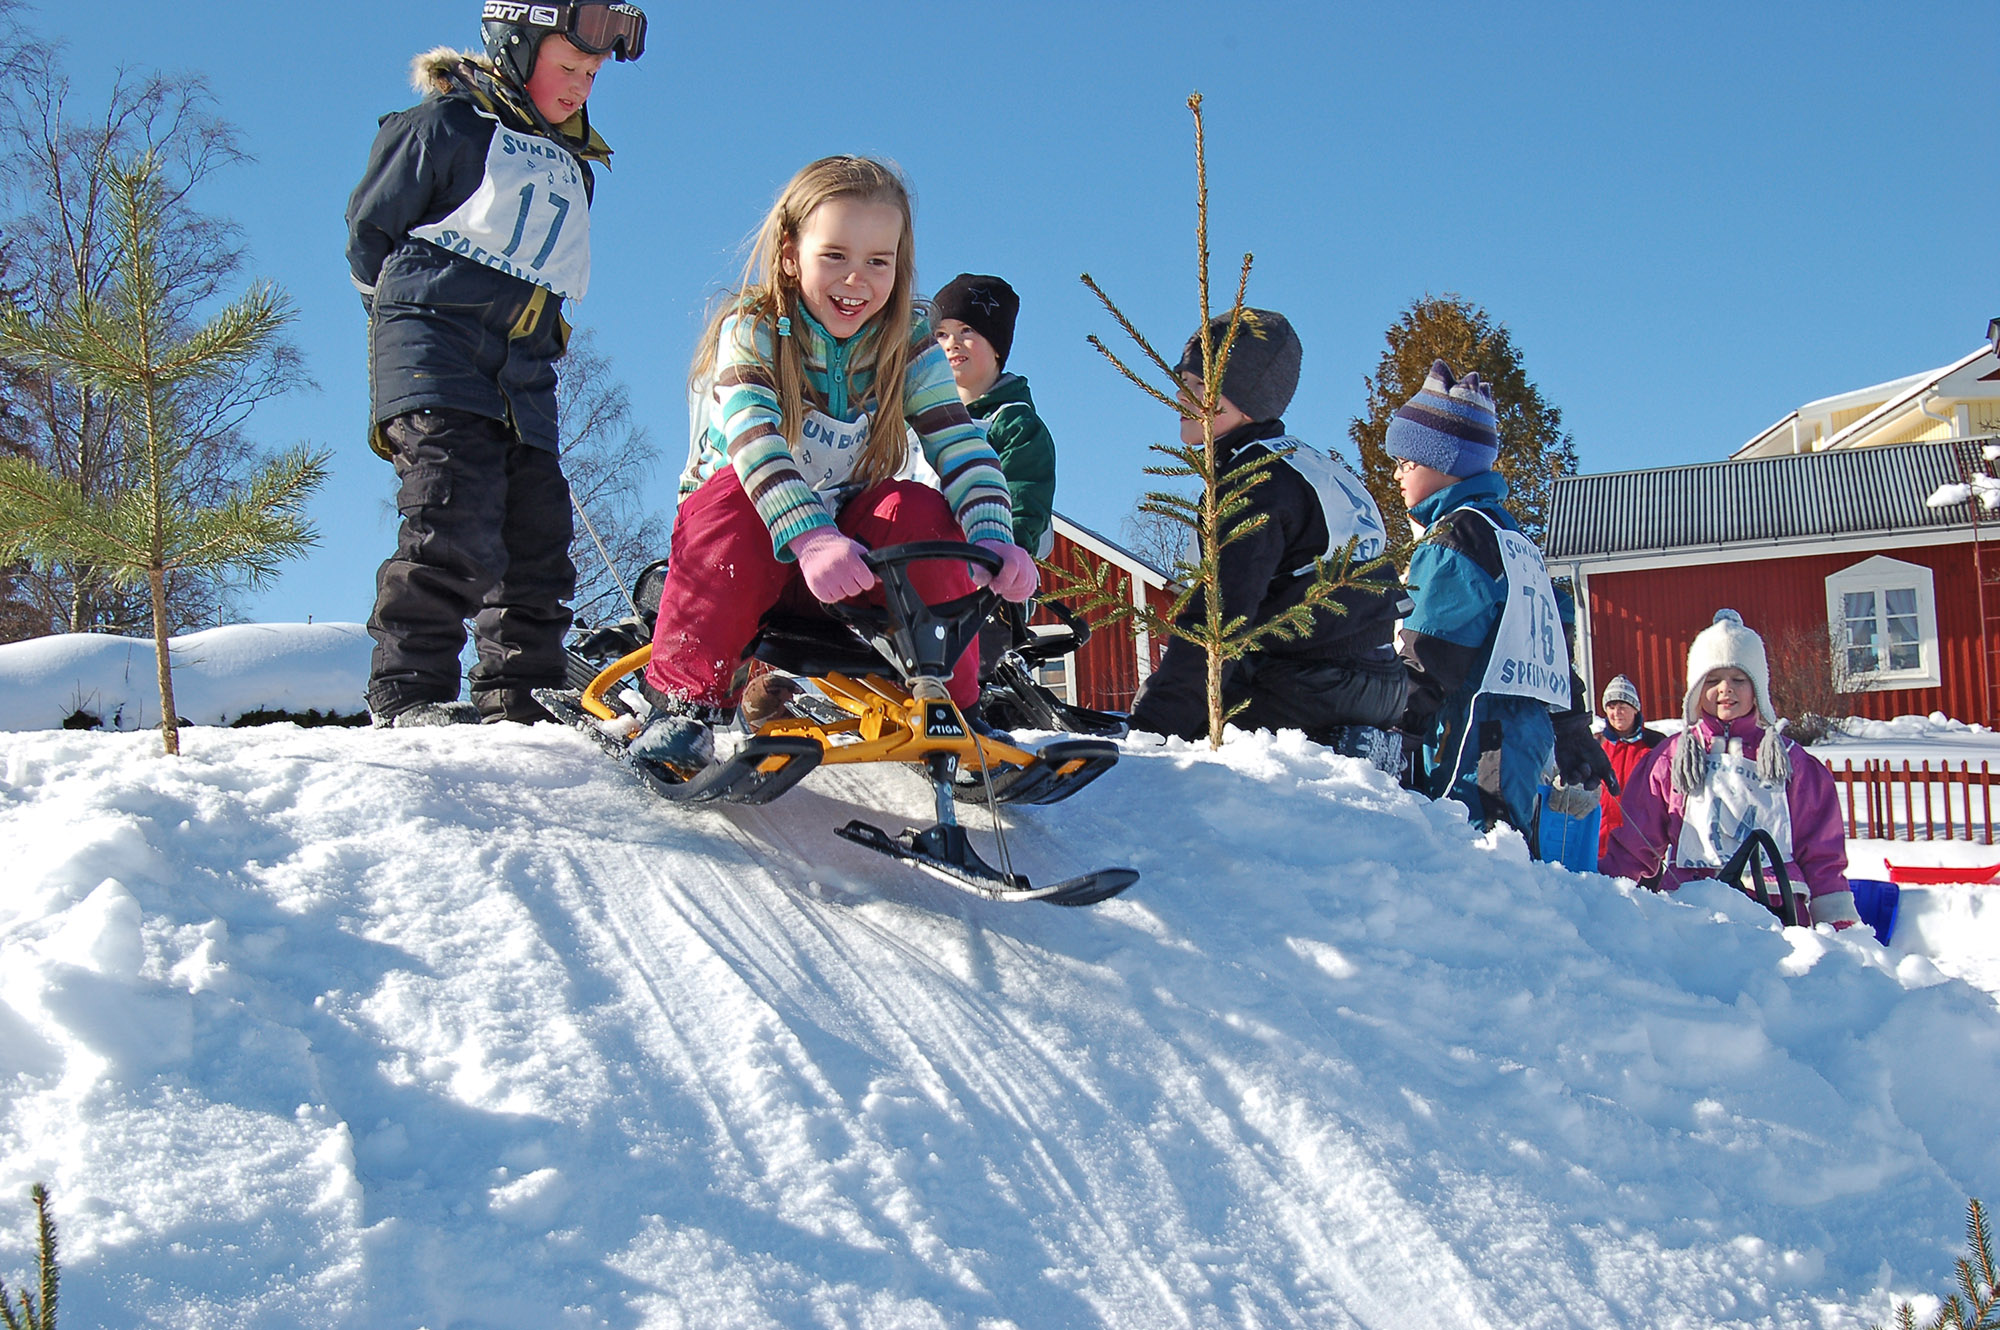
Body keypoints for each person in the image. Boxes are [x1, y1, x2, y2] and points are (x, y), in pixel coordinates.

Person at [636, 156, 1035, 778]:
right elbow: (756, 441)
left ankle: (953, 713)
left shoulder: (906, 350)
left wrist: (994, 541)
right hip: (741, 563)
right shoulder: (754, 331)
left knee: (917, 508)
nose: (857, 279)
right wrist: (811, 535)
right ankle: (684, 703)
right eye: (835, 256)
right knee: (733, 496)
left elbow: (962, 447)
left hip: (845, 575)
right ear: (792, 255)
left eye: (879, 261)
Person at [347, 2, 646, 727]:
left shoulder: (574, 161)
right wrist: (412, 328)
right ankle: (408, 689)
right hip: (436, 349)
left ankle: (523, 697)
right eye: (568, 68)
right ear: (517, 45)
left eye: (592, 75)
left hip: (522, 374)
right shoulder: (445, 125)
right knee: (452, 515)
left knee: (536, 536)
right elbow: (371, 232)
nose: (580, 86)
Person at [1126, 310, 1410, 763]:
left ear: (1246, 398)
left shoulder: (1251, 480)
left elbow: (1219, 620)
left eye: (1200, 387)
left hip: (1319, 682)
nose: (1180, 396)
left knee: (1194, 743)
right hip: (1379, 677)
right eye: (1182, 382)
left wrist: (1150, 733)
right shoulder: (1304, 462)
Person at [1391, 361, 1612, 839]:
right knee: (1509, 862)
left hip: (1470, 746)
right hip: (1518, 742)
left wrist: (1395, 733)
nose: (1395, 475)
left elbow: (1431, 651)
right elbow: (1551, 642)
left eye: (1406, 462)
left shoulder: (1458, 540)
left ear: (1444, 464)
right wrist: (1571, 726)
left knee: (1471, 866)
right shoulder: (1515, 540)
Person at [1601, 611, 1860, 928]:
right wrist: (1605, 899)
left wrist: (1836, 922)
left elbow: (1821, 853)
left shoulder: (1792, 764)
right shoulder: (1671, 759)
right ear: (1696, 690)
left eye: (1739, 679)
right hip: (1693, 912)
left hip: (1777, 915)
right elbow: (1635, 841)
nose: (1726, 689)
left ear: (1758, 689)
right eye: (1712, 680)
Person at [931, 274, 1056, 560]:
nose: (952, 343)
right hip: (911, 571)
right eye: (941, 333)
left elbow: (1024, 500)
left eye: (966, 330)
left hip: (982, 580)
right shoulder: (916, 421)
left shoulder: (1014, 426)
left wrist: (1003, 559)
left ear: (997, 345)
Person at [1595, 674, 1667, 858]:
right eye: (1611, 707)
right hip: (1599, 840)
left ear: (1635, 709)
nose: (1616, 712)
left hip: (1643, 845)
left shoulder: (1655, 743)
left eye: (1622, 706)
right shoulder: (1595, 744)